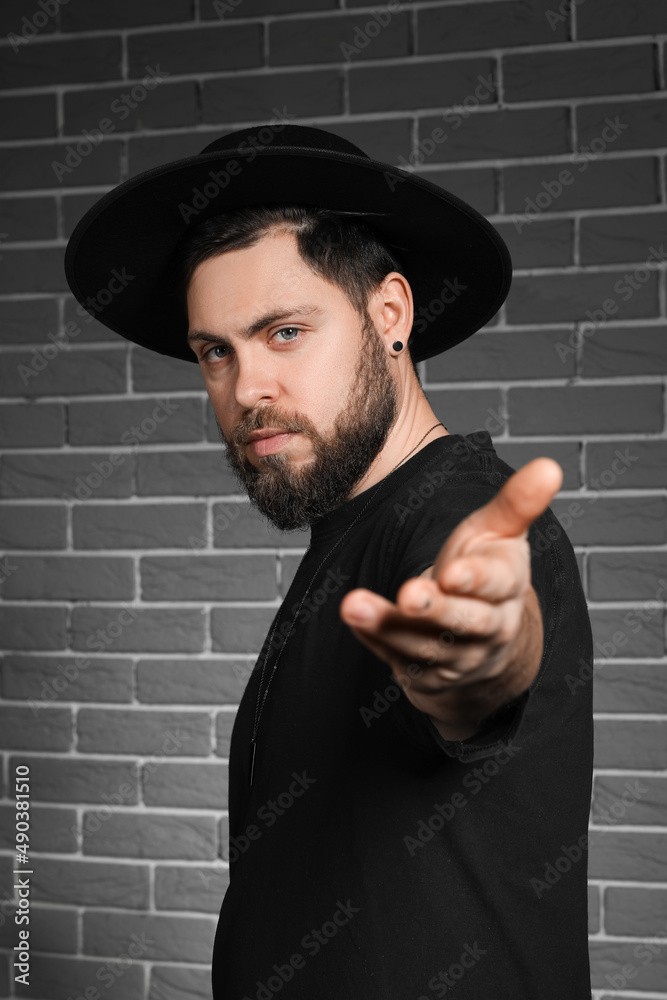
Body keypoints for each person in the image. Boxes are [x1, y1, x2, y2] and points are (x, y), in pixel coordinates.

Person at [65, 123, 594, 1000]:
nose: (246, 391)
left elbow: (480, 664)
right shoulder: (353, 524)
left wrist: (478, 655)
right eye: (215, 353)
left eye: (283, 333)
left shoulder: (461, 519)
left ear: (388, 314)